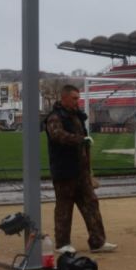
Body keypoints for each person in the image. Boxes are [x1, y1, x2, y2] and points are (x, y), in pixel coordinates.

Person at [45, 84, 117, 255]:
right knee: (64, 207)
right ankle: (62, 243)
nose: (78, 101)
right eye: (75, 98)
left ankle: (98, 241)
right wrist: (80, 140)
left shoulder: (76, 117)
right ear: (64, 98)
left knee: (91, 204)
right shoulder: (55, 117)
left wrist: (88, 169)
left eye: (78, 98)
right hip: (64, 171)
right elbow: (57, 135)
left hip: (81, 172)